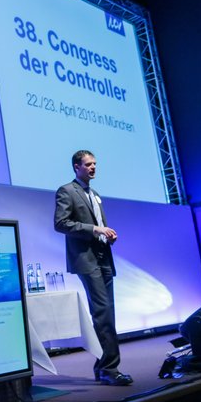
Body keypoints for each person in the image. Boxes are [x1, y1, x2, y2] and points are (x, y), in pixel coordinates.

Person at [54, 150, 133, 386]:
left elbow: (99, 225)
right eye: (88, 164)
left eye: (95, 164)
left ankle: (102, 367)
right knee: (102, 312)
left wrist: (107, 236)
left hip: (103, 257)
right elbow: (61, 223)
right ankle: (110, 369)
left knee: (108, 312)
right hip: (86, 260)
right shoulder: (67, 191)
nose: (93, 168)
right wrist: (94, 229)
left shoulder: (95, 194)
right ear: (76, 167)